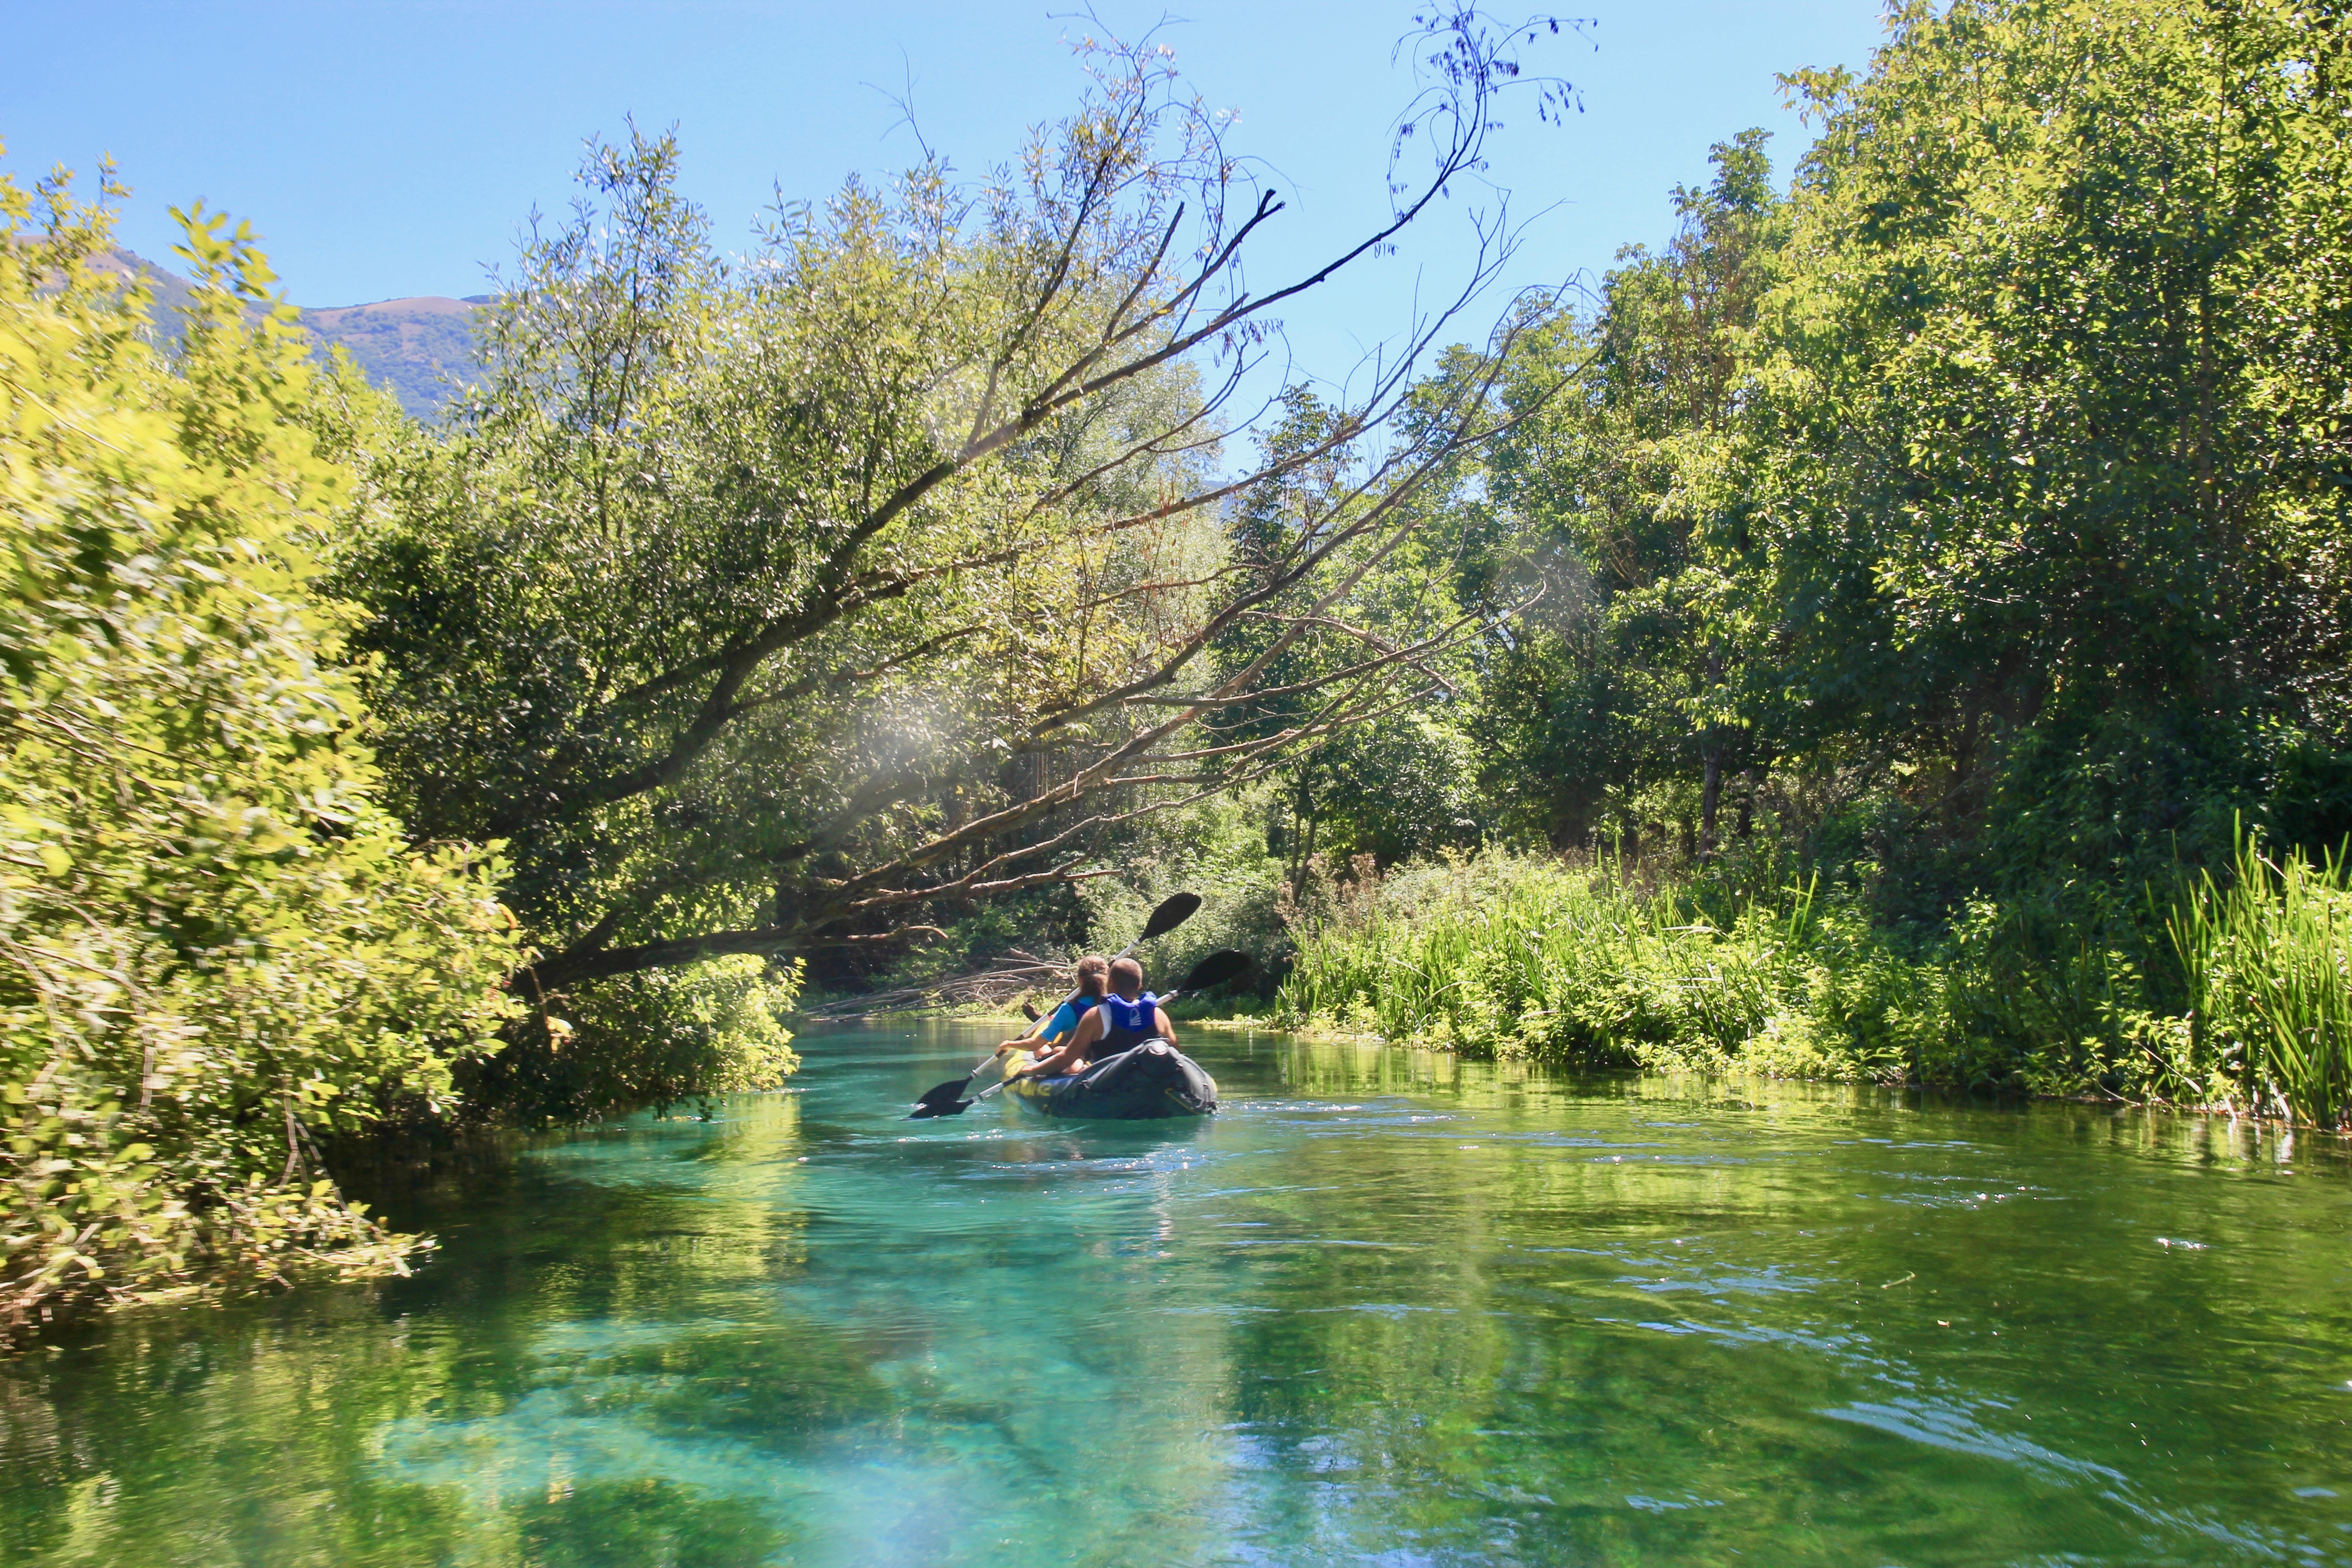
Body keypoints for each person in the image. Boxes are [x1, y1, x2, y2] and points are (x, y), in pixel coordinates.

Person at [1016, 956, 1175, 1082]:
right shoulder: (1158, 1014)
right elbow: (1175, 1054)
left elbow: (1067, 1058)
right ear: (1139, 985)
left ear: (1110, 982)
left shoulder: (1096, 1016)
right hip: (1150, 1081)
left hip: (1108, 1084)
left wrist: (1032, 1070)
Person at [996, 955, 1110, 1062]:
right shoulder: (1113, 1005)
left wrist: (1008, 1044)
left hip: (1072, 1060)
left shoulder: (1069, 1009)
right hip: (1102, 1061)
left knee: (1042, 1048)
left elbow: (1036, 1044)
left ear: (1079, 979)